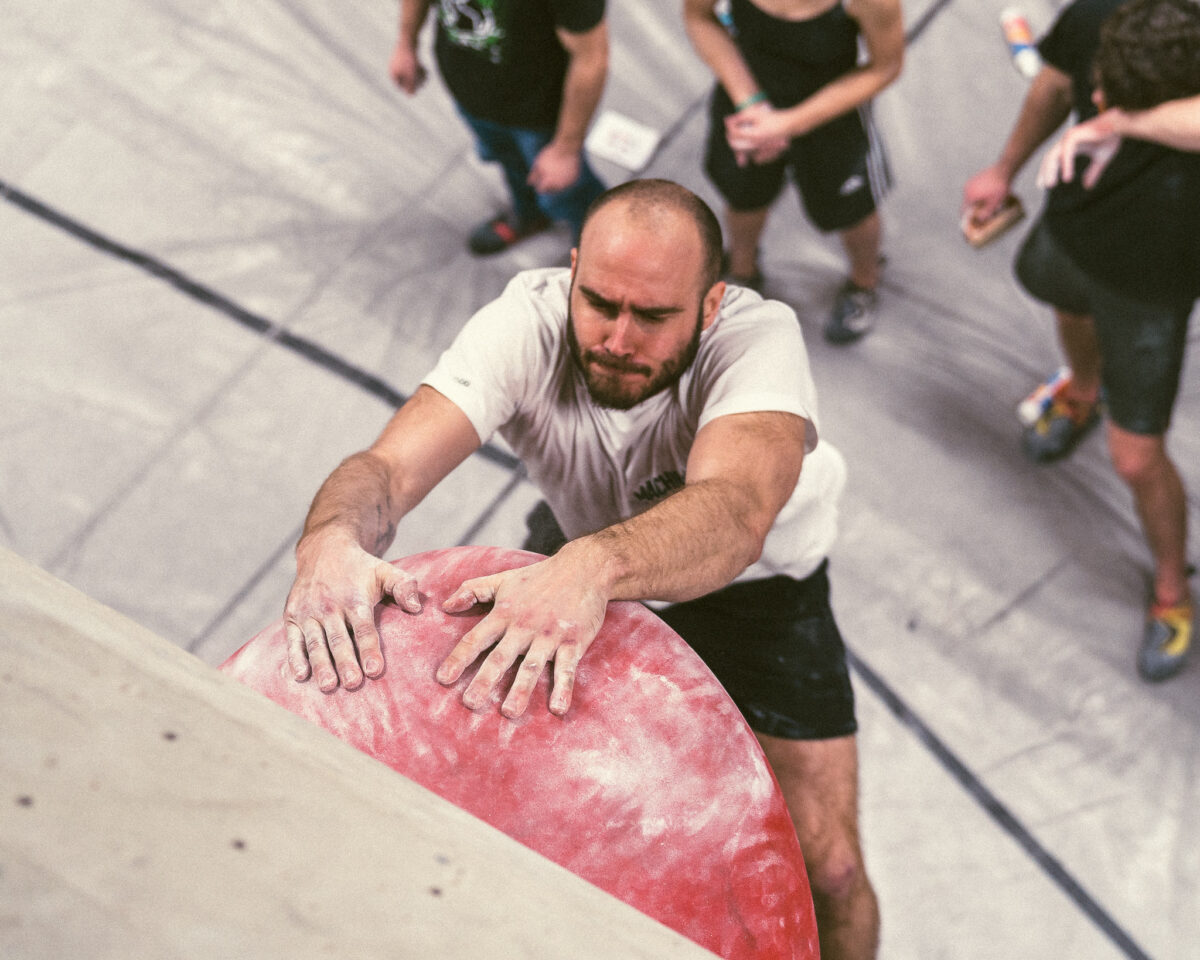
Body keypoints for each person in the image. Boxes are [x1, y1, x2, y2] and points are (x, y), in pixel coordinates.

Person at [283, 179, 879, 960]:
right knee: (522, 801)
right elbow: (387, 470)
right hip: (575, 551)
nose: (619, 338)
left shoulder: (759, 339)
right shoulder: (525, 320)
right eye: (599, 302)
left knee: (829, 868)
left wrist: (595, 565)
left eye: (655, 315)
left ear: (710, 304)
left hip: (753, 590)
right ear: (572, 273)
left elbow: (734, 514)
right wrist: (330, 537)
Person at [963, 0, 1200, 681]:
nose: (1096, 98)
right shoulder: (1109, 14)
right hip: (1073, 226)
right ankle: (1082, 391)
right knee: (1065, 305)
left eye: (1116, 95)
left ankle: (1170, 591)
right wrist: (1003, 169)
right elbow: (1056, 84)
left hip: (1152, 286)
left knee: (1135, 460)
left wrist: (1119, 120)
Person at [682, 0, 903, 344]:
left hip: (831, 116)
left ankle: (864, 281)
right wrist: (751, 105)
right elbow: (699, 17)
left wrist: (787, 124)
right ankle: (743, 272)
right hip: (747, 103)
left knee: (850, 210)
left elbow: (885, 66)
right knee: (743, 195)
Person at [389, 0, 608, 254]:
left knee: (568, 192)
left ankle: (599, 250)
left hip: (539, 113)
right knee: (512, 165)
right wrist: (406, 43)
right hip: (473, 96)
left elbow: (591, 58)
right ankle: (530, 216)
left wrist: (566, 149)